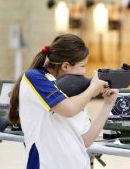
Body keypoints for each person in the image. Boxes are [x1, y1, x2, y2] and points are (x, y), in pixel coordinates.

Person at [8, 34, 118, 169]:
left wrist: (108, 104)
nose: (85, 72)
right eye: (83, 66)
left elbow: (86, 140)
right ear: (65, 66)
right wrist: (92, 89)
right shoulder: (35, 78)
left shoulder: (76, 94)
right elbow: (68, 110)